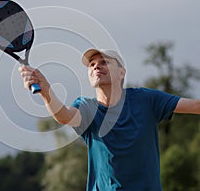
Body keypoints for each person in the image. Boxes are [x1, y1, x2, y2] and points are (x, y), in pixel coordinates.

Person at [18, 48, 200, 191]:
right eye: (92, 64)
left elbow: (195, 106)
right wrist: (46, 90)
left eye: (104, 62)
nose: (96, 66)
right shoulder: (87, 108)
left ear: (121, 73)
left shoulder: (146, 100)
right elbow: (64, 116)